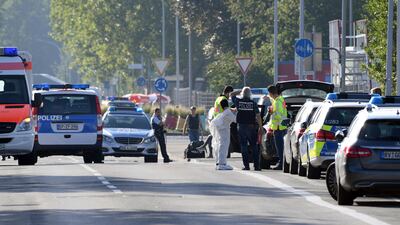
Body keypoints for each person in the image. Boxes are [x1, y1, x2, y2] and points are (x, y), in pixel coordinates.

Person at [231, 87, 263, 171]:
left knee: (244, 146)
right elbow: (258, 116)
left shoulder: (238, 102)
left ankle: (246, 166)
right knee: (254, 146)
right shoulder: (253, 103)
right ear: (250, 94)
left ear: (242, 94)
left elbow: (232, 94)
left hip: (241, 127)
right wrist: (260, 127)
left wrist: (240, 90)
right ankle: (257, 166)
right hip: (251, 127)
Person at [210, 99, 236, 170]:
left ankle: (219, 162)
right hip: (224, 130)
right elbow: (235, 119)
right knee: (224, 146)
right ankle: (222, 163)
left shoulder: (224, 112)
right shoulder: (228, 112)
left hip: (220, 129)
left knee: (220, 145)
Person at [266, 85, 288, 170]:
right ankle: (282, 163)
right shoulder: (280, 99)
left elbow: (278, 113)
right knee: (281, 147)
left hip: (278, 127)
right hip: (282, 127)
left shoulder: (277, 102)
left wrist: (272, 113)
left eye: (269, 94)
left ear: (271, 93)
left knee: (280, 148)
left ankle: (281, 164)